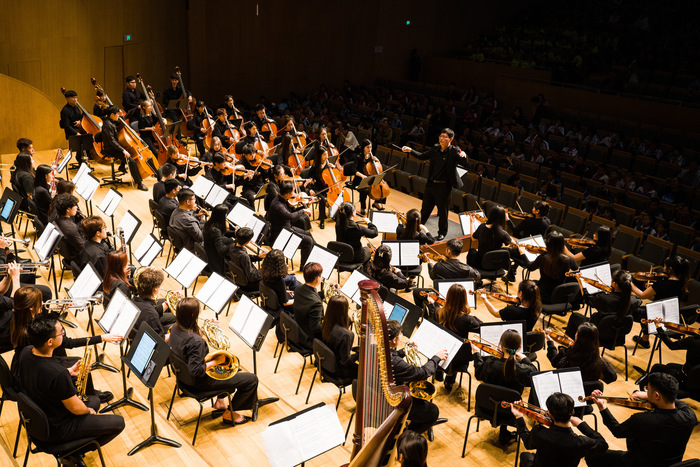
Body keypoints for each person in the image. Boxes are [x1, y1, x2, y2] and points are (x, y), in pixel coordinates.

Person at [13, 313, 125, 466]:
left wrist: (69, 372)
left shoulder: (26, 352)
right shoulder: (57, 374)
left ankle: (74, 451)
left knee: (95, 400)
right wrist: (88, 411)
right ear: (50, 341)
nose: (64, 334)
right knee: (118, 422)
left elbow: (43, 376)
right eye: (61, 333)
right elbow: (75, 408)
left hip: (37, 421)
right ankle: (72, 453)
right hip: (57, 429)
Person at [168, 298, 258, 425]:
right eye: (198, 310)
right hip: (199, 384)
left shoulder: (175, 328)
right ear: (193, 315)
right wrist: (216, 362)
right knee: (251, 379)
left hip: (182, 378)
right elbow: (196, 370)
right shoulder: (196, 342)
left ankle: (220, 402)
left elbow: (190, 338)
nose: (200, 311)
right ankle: (229, 414)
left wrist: (206, 328)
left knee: (234, 369)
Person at [586, 373, 697, 467]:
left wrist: (602, 407)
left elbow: (617, 430)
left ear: (657, 395)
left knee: (592, 456)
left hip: (638, 464)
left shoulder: (642, 420)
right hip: (671, 464)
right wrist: (649, 395)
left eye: (647, 389)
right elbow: (677, 401)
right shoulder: (690, 416)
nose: (646, 392)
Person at [472, 329, 537, 445]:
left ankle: (503, 431)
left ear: (501, 344)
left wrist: (476, 353)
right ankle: (504, 432)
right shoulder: (522, 370)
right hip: (511, 412)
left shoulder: (490, 364)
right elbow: (534, 373)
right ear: (519, 347)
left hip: (486, 408)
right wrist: (524, 358)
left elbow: (478, 373)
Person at [402, 128, 467, 240]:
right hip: (431, 184)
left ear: (450, 139)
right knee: (425, 209)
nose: (441, 138)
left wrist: (464, 155)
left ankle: (442, 232)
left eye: (444, 137)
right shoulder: (435, 148)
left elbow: (464, 163)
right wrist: (410, 150)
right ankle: (416, 229)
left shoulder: (454, 152)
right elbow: (423, 156)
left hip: (444, 187)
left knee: (443, 212)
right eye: (440, 136)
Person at [513, 392, 608, 467]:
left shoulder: (539, 432)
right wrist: (582, 425)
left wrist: (519, 417)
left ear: (549, 413)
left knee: (525, 456)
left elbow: (527, 443)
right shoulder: (580, 443)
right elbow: (603, 445)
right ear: (572, 412)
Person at [387, 319, 448, 434]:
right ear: (394, 340)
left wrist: (403, 351)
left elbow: (393, 355)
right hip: (392, 402)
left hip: (385, 391)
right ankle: (406, 435)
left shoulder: (376, 348)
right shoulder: (395, 363)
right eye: (401, 334)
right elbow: (422, 373)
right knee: (433, 411)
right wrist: (436, 358)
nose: (402, 336)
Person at [632, 256, 689, 349]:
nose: (663, 268)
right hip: (669, 316)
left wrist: (630, 284)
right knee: (645, 310)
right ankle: (644, 339)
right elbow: (667, 291)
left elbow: (642, 295)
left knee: (634, 310)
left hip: (656, 316)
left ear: (670, 269)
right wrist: (654, 286)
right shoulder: (682, 284)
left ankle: (645, 339)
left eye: (665, 266)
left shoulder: (663, 284)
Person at [435, 284, 482, 391]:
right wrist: (473, 317)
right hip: (459, 357)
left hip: (440, 352)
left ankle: (438, 372)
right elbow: (482, 328)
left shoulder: (439, 313)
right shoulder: (468, 320)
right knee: (458, 350)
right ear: (464, 299)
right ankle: (449, 382)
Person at [566, 270, 641, 336]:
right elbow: (639, 300)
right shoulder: (633, 300)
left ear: (614, 284)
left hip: (598, 332)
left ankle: (571, 348)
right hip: (617, 336)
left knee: (574, 316)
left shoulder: (605, 298)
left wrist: (580, 282)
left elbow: (587, 299)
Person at [640, 320, 700, 393]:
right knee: (670, 365)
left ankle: (646, 391)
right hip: (697, 380)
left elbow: (671, 346)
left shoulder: (694, 341)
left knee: (657, 367)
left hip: (686, 378)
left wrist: (659, 328)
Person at [547, 322, 617, 384]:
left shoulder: (567, 354)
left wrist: (550, 342)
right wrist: (600, 358)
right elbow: (612, 377)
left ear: (578, 337)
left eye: (577, 332)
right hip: (587, 394)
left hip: (566, 390)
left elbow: (554, 362)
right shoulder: (597, 362)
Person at [265, 180, 315, 265]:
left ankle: (312, 257)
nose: (294, 194)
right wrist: (303, 210)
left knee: (309, 235)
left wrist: (305, 206)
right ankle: (304, 266)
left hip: (287, 229)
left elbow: (293, 211)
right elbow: (290, 216)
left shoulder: (283, 199)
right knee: (308, 241)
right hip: (281, 235)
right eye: (293, 192)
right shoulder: (278, 205)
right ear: (287, 193)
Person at [101, 106, 147, 191]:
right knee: (131, 160)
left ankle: (124, 168)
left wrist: (122, 116)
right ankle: (139, 183)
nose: (118, 115)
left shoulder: (111, 121)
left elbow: (120, 123)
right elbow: (112, 142)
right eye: (117, 114)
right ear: (112, 114)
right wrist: (123, 150)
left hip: (114, 146)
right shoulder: (107, 125)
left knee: (129, 153)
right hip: (110, 148)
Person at [525, 231, 579, 304]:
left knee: (526, 284)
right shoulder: (569, 260)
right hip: (558, 296)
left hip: (542, 295)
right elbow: (576, 269)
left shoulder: (543, 258)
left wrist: (523, 254)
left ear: (547, 244)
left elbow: (530, 267)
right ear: (563, 245)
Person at [321, 295, 358, 379]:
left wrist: (350, 321)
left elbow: (337, 328)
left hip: (325, 364)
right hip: (337, 371)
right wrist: (358, 354)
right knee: (365, 371)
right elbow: (346, 362)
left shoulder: (326, 323)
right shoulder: (345, 335)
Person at [132, 267, 175, 339]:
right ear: (155, 288)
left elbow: (151, 311)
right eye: (160, 285)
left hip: (139, 332)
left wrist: (167, 303)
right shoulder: (151, 314)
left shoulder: (134, 298)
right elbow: (160, 340)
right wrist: (177, 335)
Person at [293, 262, 324, 349]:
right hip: (309, 338)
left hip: (300, 328)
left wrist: (324, 293)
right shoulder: (316, 304)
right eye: (321, 276)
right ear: (317, 279)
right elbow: (316, 329)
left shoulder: (298, 288)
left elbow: (311, 296)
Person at [351, 139, 386, 213]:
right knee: (364, 191)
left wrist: (378, 161)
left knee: (382, 187)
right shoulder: (359, 157)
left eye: (371, 147)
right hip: (358, 181)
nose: (369, 149)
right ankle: (363, 208)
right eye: (367, 147)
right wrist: (362, 176)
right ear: (363, 147)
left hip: (369, 179)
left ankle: (376, 203)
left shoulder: (371, 157)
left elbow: (378, 168)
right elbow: (353, 170)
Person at [261, 249, 299, 313]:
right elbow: (285, 303)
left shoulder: (263, 271)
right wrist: (297, 300)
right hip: (281, 305)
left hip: (271, 299)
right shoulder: (279, 281)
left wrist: (286, 292)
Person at [229, 227, 265, 293]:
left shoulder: (232, 246)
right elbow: (252, 277)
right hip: (248, 284)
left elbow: (246, 258)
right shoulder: (244, 256)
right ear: (248, 242)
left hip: (239, 278)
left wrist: (258, 257)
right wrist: (264, 270)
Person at [203, 204, 234, 276]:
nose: (226, 216)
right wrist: (236, 242)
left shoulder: (209, 224)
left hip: (210, 253)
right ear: (221, 216)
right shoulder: (215, 231)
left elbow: (223, 232)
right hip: (216, 260)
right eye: (225, 214)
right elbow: (221, 251)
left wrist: (235, 233)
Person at [54, 194, 85, 266]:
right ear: (68, 210)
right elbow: (82, 247)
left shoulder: (57, 217)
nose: (77, 207)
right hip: (77, 257)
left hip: (69, 250)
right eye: (75, 206)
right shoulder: (71, 228)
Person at [33, 164, 53, 228]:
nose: (52, 176)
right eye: (50, 174)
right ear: (45, 176)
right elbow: (53, 204)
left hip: (42, 213)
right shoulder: (42, 191)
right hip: (46, 216)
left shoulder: (37, 185)